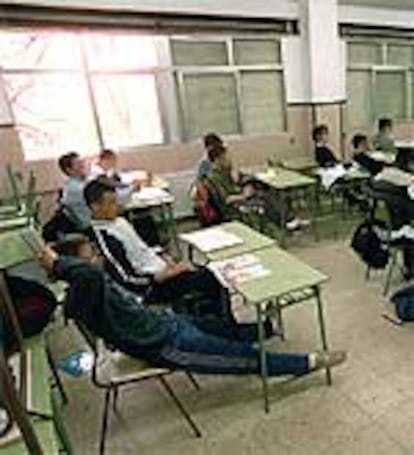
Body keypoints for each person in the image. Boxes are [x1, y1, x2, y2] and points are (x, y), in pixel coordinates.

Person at [40, 237, 346, 377]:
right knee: (243, 359)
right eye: (90, 254)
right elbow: (88, 273)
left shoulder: (91, 282)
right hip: (164, 344)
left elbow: (92, 272)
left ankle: (266, 329)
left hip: (164, 323)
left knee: (225, 328)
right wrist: (56, 262)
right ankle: (305, 363)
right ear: (73, 266)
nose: (99, 258)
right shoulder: (85, 288)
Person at [83, 178, 262, 336]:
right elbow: (127, 280)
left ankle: (222, 324)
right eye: (111, 203)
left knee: (208, 275)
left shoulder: (118, 221)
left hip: (160, 269)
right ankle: (229, 331)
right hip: (151, 287)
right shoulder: (104, 239)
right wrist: (168, 273)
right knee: (209, 278)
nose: (118, 206)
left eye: (116, 201)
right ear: (95, 207)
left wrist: (165, 257)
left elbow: (142, 249)